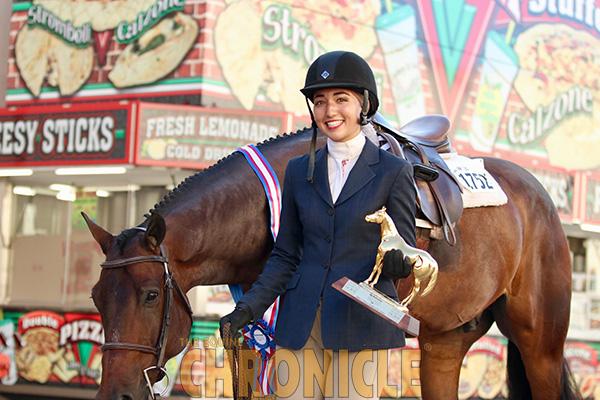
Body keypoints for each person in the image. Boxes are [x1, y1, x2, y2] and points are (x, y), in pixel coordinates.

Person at [220, 50, 417, 400]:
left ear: (363, 105)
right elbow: (286, 255)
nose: (330, 111)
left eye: (341, 99)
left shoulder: (394, 172)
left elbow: (399, 246)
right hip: (299, 322)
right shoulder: (297, 170)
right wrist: (247, 309)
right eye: (320, 101)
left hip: (360, 323)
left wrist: (400, 261)